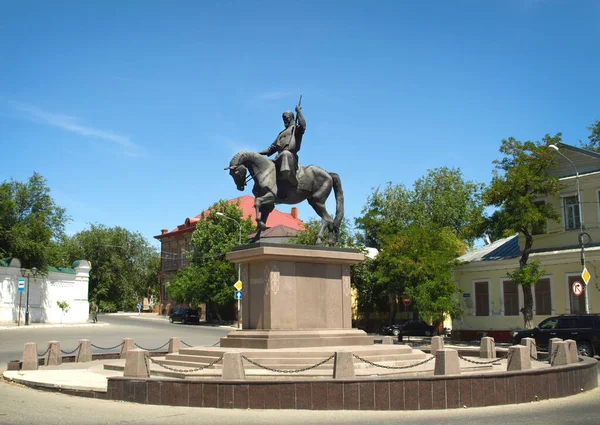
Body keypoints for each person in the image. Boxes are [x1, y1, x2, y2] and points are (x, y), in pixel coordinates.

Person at [259, 104, 306, 199]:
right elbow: (270, 149)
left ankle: (286, 186)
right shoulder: (281, 133)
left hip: (290, 157)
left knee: (285, 154)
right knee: (267, 165)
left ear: (292, 118)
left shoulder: (295, 129)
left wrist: (299, 112)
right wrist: (257, 154)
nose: (284, 120)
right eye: (283, 118)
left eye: (286, 117)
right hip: (279, 157)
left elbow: (303, 126)